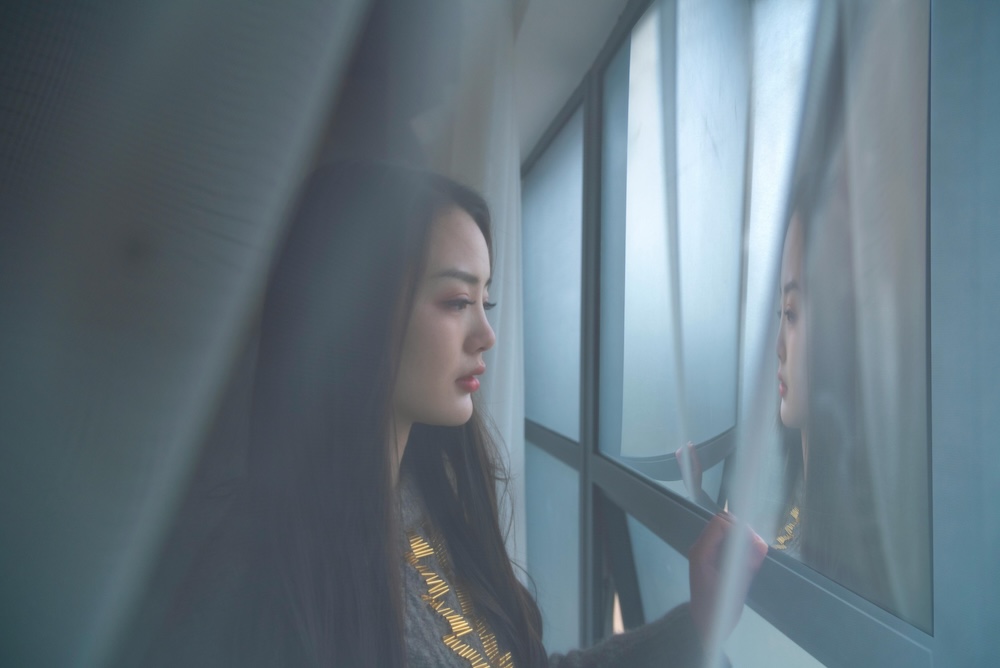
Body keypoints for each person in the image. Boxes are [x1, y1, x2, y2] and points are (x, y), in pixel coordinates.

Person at [144, 162, 766, 667]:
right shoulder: (249, 575)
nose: (487, 334)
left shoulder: (428, 498)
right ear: (355, 317)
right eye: (457, 301)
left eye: (486, 301)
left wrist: (699, 624)